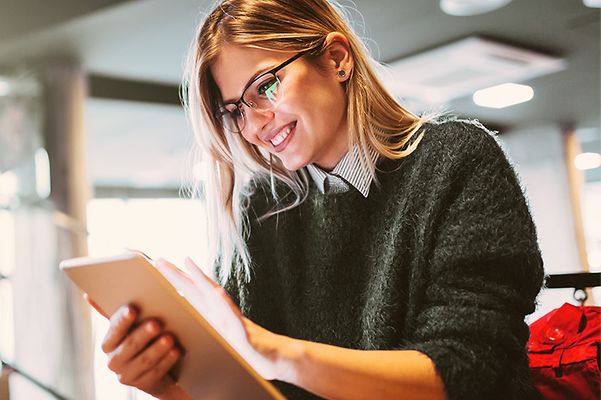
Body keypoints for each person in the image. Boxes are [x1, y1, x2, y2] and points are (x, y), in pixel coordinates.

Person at [93, 1, 545, 399]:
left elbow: (468, 370)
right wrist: (165, 386)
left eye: (265, 87)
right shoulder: (261, 209)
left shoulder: (455, 160)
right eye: (235, 110)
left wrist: (274, 353)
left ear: (336, 59)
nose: (254, 126)